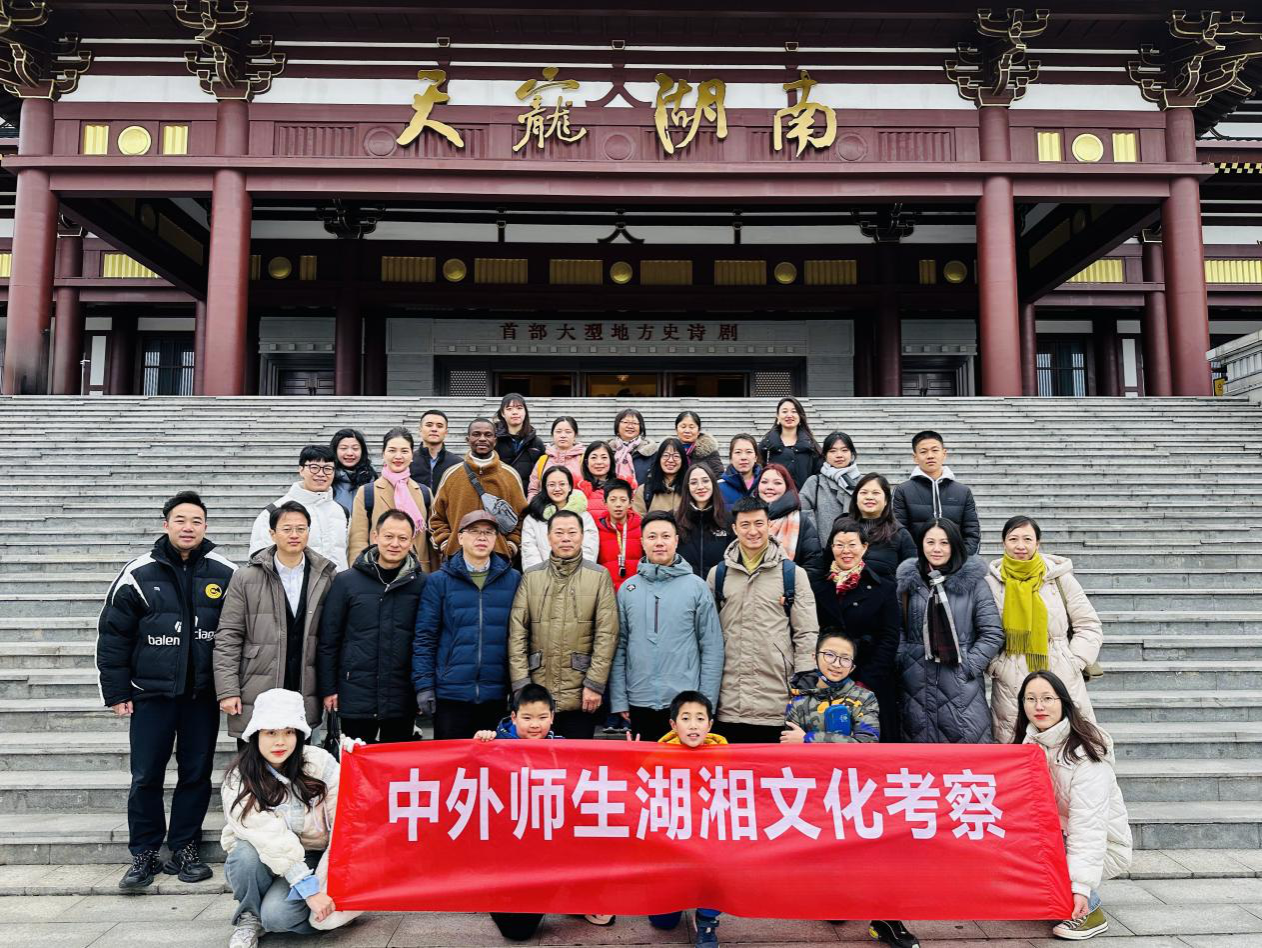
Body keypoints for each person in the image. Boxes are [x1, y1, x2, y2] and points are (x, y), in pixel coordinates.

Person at [96, 490, 237, 889]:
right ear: (166, 524)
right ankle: (144, 853)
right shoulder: (139, 572)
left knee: (196, 774)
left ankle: (185, 848)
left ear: (205, 526)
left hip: (201, 696)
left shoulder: (226, 572)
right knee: (146, 776)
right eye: (180, 520)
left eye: (196, 521)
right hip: (150, 694)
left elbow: (237, 634)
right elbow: (113, 635)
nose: (188, 527)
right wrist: (117, 692)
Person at [779, 633, 915, 948]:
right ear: (815, 657)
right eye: (829, 655)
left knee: (871, 853)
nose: (836, 664)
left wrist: (810, 739)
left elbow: (865, 743)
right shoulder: (799, 700)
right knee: (826, 853)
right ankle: (836, 898)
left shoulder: (864, 698)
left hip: (857, 791)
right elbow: (789, 750)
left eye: (844, 659)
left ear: (853, 666)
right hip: (814, 790)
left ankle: (887, 919)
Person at [222, 689, 358, 948]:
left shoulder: (320, 763)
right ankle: (249, 918)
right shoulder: (240, 776)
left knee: (276, 918)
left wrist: (333, 881)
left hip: (313, 856)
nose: (280, 742)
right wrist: (308, 889)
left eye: (288, 732)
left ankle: (329, 914)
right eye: (271, 733)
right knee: (244, 853)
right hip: (265, 856)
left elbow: (345, 819)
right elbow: (266, 836)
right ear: (256, 734)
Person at [474, 684, 610, 935]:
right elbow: (472, 775)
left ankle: (578, 898)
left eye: (542, 717)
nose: (535, 725)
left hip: (551, 840)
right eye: (527, 718)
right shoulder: (495, 744)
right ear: (514, 717)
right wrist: (479, 742)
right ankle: (495, 894)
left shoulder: (563, 748)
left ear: (552, 717)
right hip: (512, 848)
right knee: (517, 931)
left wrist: (633, 756)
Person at [1016, 671, 1132, 941]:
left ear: (1064, 702)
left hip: (1101, 845)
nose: (1039, 706)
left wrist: (1080, 888)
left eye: (1047, 698)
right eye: (1031, 699)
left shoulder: (1086, 755)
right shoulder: (1030, 741)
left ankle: (1089, 910)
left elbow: (1088, 827)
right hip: (1057, 837)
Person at [214, 501, 338, 746]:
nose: (294, 535)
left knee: (299, 757)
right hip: (257, 682)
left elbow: (335, 638)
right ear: (272, 534)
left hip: (304, 680)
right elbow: (228, 635)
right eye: (287, 529)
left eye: (301, 529)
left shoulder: (326, 577)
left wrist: (330, 687)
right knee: (252, 761)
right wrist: (228, 690)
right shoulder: (246, 577)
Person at [708, 497, 818, 743]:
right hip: (729, 699)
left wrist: (804, 678)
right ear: (735, 528)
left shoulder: (793, 574)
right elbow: (708, 634)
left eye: (759, 523)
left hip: (776, 698)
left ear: (769, 525)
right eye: (745, 525)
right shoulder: (719, 574)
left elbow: (806, 631)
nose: (753, 531)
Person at [987, 516, 1103, 744]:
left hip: (1060, 671)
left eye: (1027, 539)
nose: (1020, 545)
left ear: (1037, 543)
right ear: (1003, 543)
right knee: (1017, 745)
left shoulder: (1059, 579)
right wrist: (997, 665)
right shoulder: (991, 583)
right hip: (1011, 677)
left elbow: (1088, 624)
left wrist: (1074, 660)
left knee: (1069, 745)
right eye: (1013, 539)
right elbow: (980, 630)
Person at [609, 512, 724, 740]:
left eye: (665, 536)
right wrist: (620, 699)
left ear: (676, 540)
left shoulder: (696, 587)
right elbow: (618, 647)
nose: (659, 542)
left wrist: (706, 701)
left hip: (685, 704)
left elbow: (711, 647)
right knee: (644, 761)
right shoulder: (628, 589)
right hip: (639, 698)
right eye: (652, 537)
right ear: (642, 542)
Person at [317, 509, 427, 744]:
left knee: (397, 763)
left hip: (402, 695)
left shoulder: (422, 584)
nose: (395, 544)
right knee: (355, 761)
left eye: (402, 538)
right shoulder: (346, 581)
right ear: (375, 536)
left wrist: (422, 689)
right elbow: (329, 640)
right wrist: (328, 688)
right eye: (388, 536)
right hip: (355, 692)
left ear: (412, 541)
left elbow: (427, 641)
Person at [508, 509, 618, 739]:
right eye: (559, 533)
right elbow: (517, 632)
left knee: (576, 757)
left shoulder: (598, 576)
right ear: (548, 537)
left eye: (572, 532)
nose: (565, 538)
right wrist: (521, 684)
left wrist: (595, 684)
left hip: (581, 691)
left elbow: (606, 634)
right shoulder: (531, 577)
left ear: (582, 536)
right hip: (537, 691)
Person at [413, 510, 521, 739]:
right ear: (460, 538)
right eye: (474, 531)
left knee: (491, 760)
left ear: (496, 539)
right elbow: (425, 638)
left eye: (488, 532)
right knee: (450, 760)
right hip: (450, 693)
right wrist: (424, 685)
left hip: (495, 693)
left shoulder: (513, 580)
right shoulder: (439, 581)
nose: (481, 537)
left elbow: (519, 636)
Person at [895, 518, 1004, 743]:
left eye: (944, 543)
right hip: (915, 682)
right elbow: (897, 629)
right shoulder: (909, 583)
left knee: (966, 754)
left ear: (954, 545)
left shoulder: (974, 583)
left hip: (960, 685)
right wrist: (904, 658)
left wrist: (968, 666)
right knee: (919, 752)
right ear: (921, 544)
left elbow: (992, 632)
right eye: (930, 542)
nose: (937, 549)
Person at [809, 519, 902, 744]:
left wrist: (866, 680)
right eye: (839, 545)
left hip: (870, 679)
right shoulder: (816, 585)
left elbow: (890, 637)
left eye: (852, 544)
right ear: (831, 548)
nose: (846, 551)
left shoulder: (883, 586)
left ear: (864, 547)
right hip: (827, 677)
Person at [646, 691, 726, 947]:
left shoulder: (726, 756)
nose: (693, 725)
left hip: (709, 843)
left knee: (720, 865)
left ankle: (707, 919)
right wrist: (630, 757)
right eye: (686, 718)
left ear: (709, 724)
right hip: (671, 845)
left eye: (700, 719)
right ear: (673, 724)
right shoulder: (656, 756)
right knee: (663, 922)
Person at [430, 417, 527, 561]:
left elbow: (522, 517)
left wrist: (511, 545)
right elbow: (436, 517)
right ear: (467, 439)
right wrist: (446, 544)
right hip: (457, 558)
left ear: (495, 440)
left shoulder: (510, 476)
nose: (482, 439)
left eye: (488, 435)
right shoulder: (451, 475)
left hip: (499, 559)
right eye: (476, 434)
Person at [348, 427, 438, 573]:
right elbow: (358, 540)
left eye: (404, 451)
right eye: (392, 450)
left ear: (412, 455)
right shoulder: (367, 492)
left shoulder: (424, 493)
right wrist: (360, 573)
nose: (398, 456)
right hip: (377, 572)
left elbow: (431, 541)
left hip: (417, 572)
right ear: (383, 454)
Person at [250, 445, 348, 571]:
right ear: (301, 470)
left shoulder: (341, 512)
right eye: (314, 467)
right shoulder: (274, 511)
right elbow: (260, 559)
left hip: (338, 582)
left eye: (328, 468)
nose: (321, 474)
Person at [891, 430, 981, 556]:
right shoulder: (903, 491)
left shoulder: (962, 491)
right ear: (915, 457)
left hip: (957, 562)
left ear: (944, 454)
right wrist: (918, 562)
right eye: (923, 452)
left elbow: (972, 532)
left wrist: (961, 560)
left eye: (935, 450)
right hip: (917, 563)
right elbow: (899, 532)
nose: (930, 456)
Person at [519, 465, 599, 569]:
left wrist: (578, 574)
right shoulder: (533, 518)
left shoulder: (584, 517)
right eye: (551, 485)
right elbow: (529, 553)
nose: (557, 489)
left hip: (579, 575)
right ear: (545, 488)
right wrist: (540, 576)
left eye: (562, 484)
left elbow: (589, 550)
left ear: (570, 487)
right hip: (543, 576)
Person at [848, 473, 916, 581]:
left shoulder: (899, 533)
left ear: (886, 500)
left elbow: (912, 576)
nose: (869, 497)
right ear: (856, 498)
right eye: (864, 492)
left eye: (876, 493)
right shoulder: (843, 528)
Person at [756, 462, 823, 569]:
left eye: (777, 483)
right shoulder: (747, 517)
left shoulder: (801, 521)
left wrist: (792, 579)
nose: (769, 487)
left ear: (787, 487)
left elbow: (813, 564)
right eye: (764, 482)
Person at [799, 431, 861, 541]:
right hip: (822, 546)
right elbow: (803, 512)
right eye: (833, 451)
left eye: (844, 450)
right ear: (825, 455)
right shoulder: (815, 482)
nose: (839, 455)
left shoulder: (863, 483)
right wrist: (815, 540)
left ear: (852, 453)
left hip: (857, 546)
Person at [675, 464, 733, 582]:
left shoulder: (729, 520)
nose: (700, 487)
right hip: (685, 588)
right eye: (694, 482)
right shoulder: (675, 520)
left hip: (718, 588)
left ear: (713, 484)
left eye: (705, 481)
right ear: (687, 487)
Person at [758, 397, 821, 492]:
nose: (789, 415)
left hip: (804, 499)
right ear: (778, 416)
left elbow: (819, 473)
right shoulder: (767, 444)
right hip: (774, 498)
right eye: (784, 411)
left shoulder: (811, 445)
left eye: (794, 411)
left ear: (800, 416)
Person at [594, 479, 642, 591]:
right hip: (607, 591)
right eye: (613, 500)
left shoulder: (641, 528)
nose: (618, 504)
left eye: (623, 500)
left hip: (636, 590)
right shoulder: (597, 530)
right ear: (604, 502)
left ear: (630, 503)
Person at [526, 415, 584, 499]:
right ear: (552, 434)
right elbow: (533, 490)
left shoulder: (583, 459)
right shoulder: (543, 460)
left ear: (575, 435)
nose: (563, 435)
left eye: (568, 432)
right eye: (558, 431)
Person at [493, 393, 545, 486]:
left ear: (525, 412)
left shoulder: (536, 443)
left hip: (528, 493)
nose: (515, 412)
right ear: (502, 413)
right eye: (509, 409)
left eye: (519, 408)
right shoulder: (494, 440)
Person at [409, 409, 461, 494]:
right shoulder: (409, 461)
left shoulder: (457, 464)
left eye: (439, 426)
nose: (434, 429)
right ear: (420, 430)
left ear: (446, 432)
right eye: (429, 425)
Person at [632, 437, 688, 515]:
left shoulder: (690, 489)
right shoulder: (644, 490)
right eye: (666, 455)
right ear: (659, 459)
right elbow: (638, 519)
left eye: (676, 456)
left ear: (683, 460)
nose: (670, 460)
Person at [329, 428, 375, 517]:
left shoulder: (371, 480)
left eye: (355, 448)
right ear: (335, 450)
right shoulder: (327, 480)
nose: (350, 453)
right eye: (343, 448)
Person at [607, 407, 655, 486]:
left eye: (635, 423)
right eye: (626, 422)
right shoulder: (607, 450)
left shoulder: (650, 451)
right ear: (617, 425)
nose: (630, 426)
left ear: (641, 427)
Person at [673, 410, 723, 478]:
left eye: (691, 427)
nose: (687, 431)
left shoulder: (709, 451)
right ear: (676, 429)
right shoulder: (670, 450)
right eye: (683, 427)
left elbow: (718, 475)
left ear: (698, 430)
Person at [717, 433, 761, 506]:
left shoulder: (765, 483)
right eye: (738, 452)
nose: (743, 457)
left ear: (756, 457)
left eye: (749, 452)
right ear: (731, 458)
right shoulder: (719, 487)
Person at [578, 440, 617, 521]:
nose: (599, 462)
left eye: (604, 457)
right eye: (594, 458)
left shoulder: (621, 487)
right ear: (586, 462)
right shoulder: (578, 488)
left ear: (611, 461)